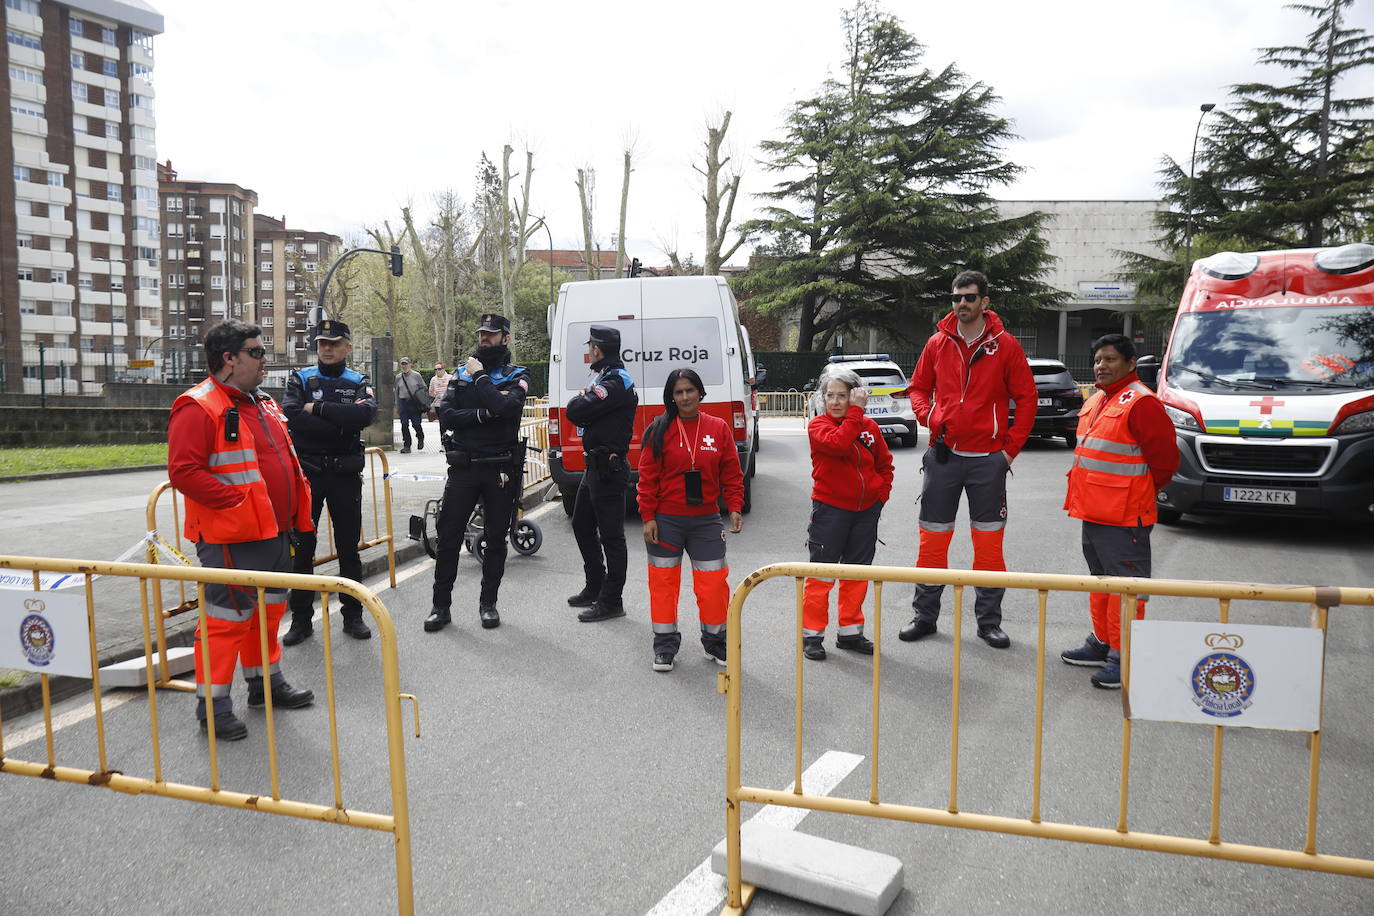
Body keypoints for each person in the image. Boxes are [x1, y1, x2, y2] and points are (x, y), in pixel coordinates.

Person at [167, 320, 315, 741]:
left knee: (266, 617)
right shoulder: (197, 405)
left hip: (273, 532)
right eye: (256, 352)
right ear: (229, 359)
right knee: (226, 621)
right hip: (234, 536)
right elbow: (184, 471)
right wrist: (237, 503)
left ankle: (265, 684)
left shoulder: (261, 402)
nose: (265, 360)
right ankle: (212, 707)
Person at [900, 269, 1037, 650]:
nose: (962, 304)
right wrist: (929, 417)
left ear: (985, 302)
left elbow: (1026, 399)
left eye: (970, 298)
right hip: (943, 457)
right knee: (932, 542)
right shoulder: (937, 343)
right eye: (957, 298)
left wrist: (1008, 452)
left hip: (987, 461)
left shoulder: (1005, 345)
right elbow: (918, 388)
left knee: (989, 547)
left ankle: (989, 623)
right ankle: (924, 617)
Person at [1061, 334, 1179, 689]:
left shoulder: (1142, 403)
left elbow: (1165, 463)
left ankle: (1123, 656)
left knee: (1126, 588)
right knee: (1101, 583)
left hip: (1126, 516)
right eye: (1098, 360)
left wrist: (1138, 494)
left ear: (1130, 364)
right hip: (1094, 511)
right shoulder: (1099, 398)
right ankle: (1103, 642)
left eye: (1110, 359)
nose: (1102, 366)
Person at [425, 313, 530, 633]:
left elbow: (507, 409)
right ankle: (440, 606)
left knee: (496, 539)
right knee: (448, 536)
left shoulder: (517, 374)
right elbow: (448, 415)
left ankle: (488, 604)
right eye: (482, 333)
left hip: (500, 468)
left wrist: (482, 378)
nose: (485, 338)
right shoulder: (460, 373)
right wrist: (486, 412)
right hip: (464, 468)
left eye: (492, 334)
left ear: (505, 338)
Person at [637, 368, 745, 673]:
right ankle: (664, 646)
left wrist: (734, 505)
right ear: (671, 397)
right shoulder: (658, 429)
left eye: (690, 390)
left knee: (712, 586)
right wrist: (648, 517)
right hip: (666, 520)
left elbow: (731, 472)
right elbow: (647, 478)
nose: (685, 397)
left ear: (700, 392)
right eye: (678, 392)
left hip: (706, 520)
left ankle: (715, 642)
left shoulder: (718, 427)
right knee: (663, 585)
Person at [280, 319, 379, 645]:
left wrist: (319, 408)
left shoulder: (358, 380)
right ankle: (301, 620)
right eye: (322, 343)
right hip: (308, 474)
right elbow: (293, 417)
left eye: (334, 343)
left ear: (348, 347)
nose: (327, 348)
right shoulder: (301, 377)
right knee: (302, 549)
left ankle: (353, 615)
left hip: (345, 476)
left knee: (349, 548)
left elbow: (364, 417)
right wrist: (340, 422)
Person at [802, 367, 894, 660]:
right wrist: (855, 414)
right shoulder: (818, 426)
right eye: (830, 395)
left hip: (866, 511)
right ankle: (812, 636)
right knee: (822, 575)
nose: (835, 402)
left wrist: (880, 496)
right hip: (830, 510)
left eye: (843, 396)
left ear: (853, 396)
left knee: (857, 573)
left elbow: (885, 464)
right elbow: (840, 443)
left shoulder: (869, 427)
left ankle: (850, 633)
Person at [566, 326, 639, 622]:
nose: (588, 351)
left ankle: (612, 600)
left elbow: (576, 410)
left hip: (609, 469)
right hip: (592, 467)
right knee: (582, 525)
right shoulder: (602, 377)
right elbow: (582, 409)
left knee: (612, 538)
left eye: (591, 346)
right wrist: (584, 401)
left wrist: (582, 400)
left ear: (599, 348)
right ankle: (595, 585)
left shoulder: (615, 380)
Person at [395, 357, 427, 453]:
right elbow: (396, 392)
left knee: (416, 424)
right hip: (403, 402)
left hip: (414, 403)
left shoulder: (416, 375)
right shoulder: (398, 377)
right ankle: (407, 446)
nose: (404, 366)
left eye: (406, 364)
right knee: (404, 424)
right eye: (402, 364)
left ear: (410, 364)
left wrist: (421, 399)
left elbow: (423, 388)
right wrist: (397, 405)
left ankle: (420, 437)